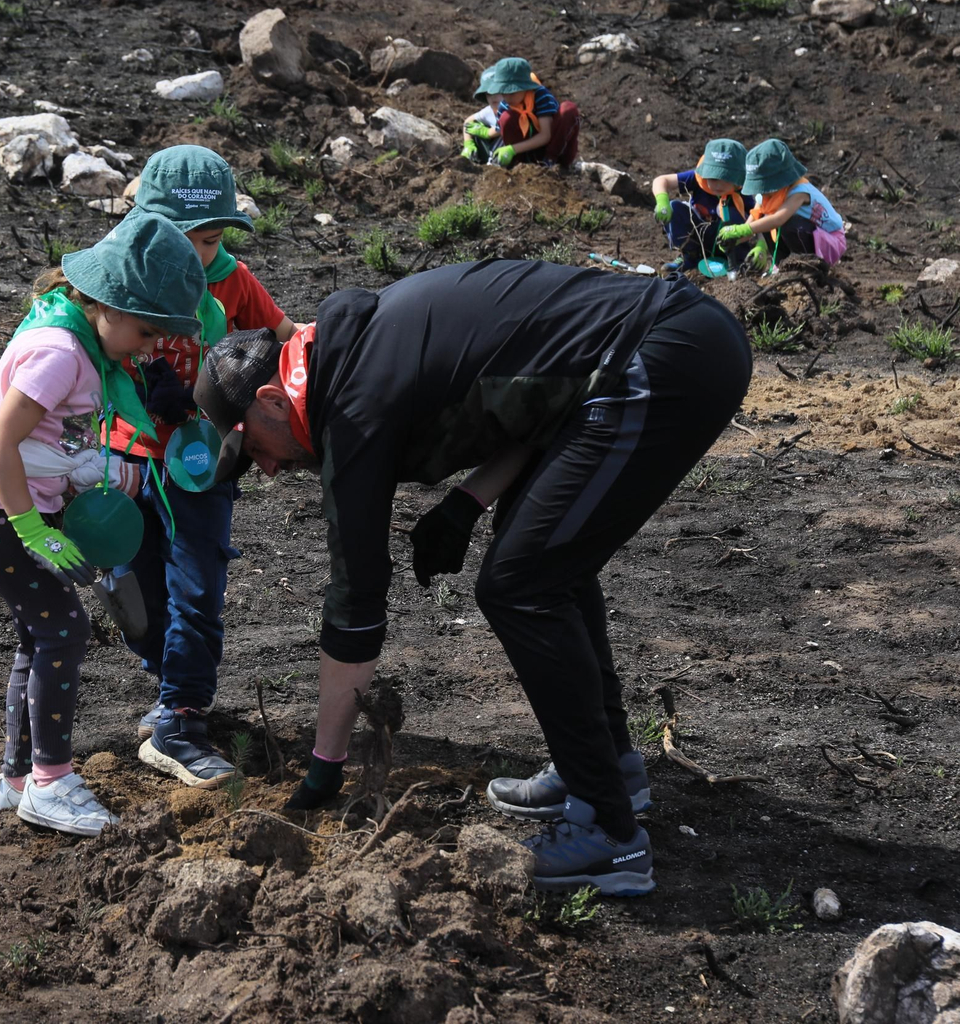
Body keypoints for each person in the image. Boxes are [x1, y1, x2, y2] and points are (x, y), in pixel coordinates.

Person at [193, 260, 752, 895]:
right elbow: (535, 396)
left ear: (270, 399)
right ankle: (607, 771)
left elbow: (357, 598)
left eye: (251, 449)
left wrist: (326, 764)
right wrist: (469, 502)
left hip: (660, 358)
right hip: (664, 345)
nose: (262, 468)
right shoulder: (346, 354)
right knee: (545, 566)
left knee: (524, 585)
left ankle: (609, 836)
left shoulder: (351, 406)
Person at [0, 214, 205, 837]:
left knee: (39, 634)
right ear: (104, 305)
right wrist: (30, 526)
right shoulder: (58, 352)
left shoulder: (83, 343)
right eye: (146, 331)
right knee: (65, 632)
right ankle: (53, 782)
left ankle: (18, 778)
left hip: (17, 506)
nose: (150, 348)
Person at [106, 146, 297, 790]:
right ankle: (167, 683)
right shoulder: (118, 272)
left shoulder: (234, 282)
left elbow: (281, 340)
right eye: (177, 239)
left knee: (196, 584)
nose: (195, 255)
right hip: (126, 454)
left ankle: (181, 719)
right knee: (135, 586)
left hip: (200, 459)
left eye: (210, 239)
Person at [716, 139, 848, 272]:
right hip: (807, 235)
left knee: (786, 223)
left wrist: (742, 230)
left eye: (763, 186)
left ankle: (807, 268)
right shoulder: (765, 196)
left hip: (829, 241)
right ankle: (782, 266)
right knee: (764, 221)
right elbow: (750, 226)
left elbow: (778, 219)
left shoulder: (799, 192)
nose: (760, 191)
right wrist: (734, 240)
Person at [649, 138, 751, 272]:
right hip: (699, 236)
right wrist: (662, 201)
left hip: (730, 242)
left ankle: (735, 262)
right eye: (713, 178)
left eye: (726, 178)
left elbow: (758, 216)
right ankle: (690, 257)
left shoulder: (744, 190)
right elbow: (661, 180)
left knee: (732, 215)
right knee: (675, 207)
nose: (718, 185)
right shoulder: (698, 179)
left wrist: (761, 245)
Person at [462, 57, 581, 170]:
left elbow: (546, 135)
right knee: (507, 118)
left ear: (525, 87)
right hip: (528, 154)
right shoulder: (505, 105)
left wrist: (512, 149)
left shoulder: (540, 96)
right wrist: (479, 136)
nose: (507, 97)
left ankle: (551, 162)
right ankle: (519, 163)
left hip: (554, 150)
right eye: (503, 92)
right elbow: (498, 128)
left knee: (568, 109)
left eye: (512, 92)